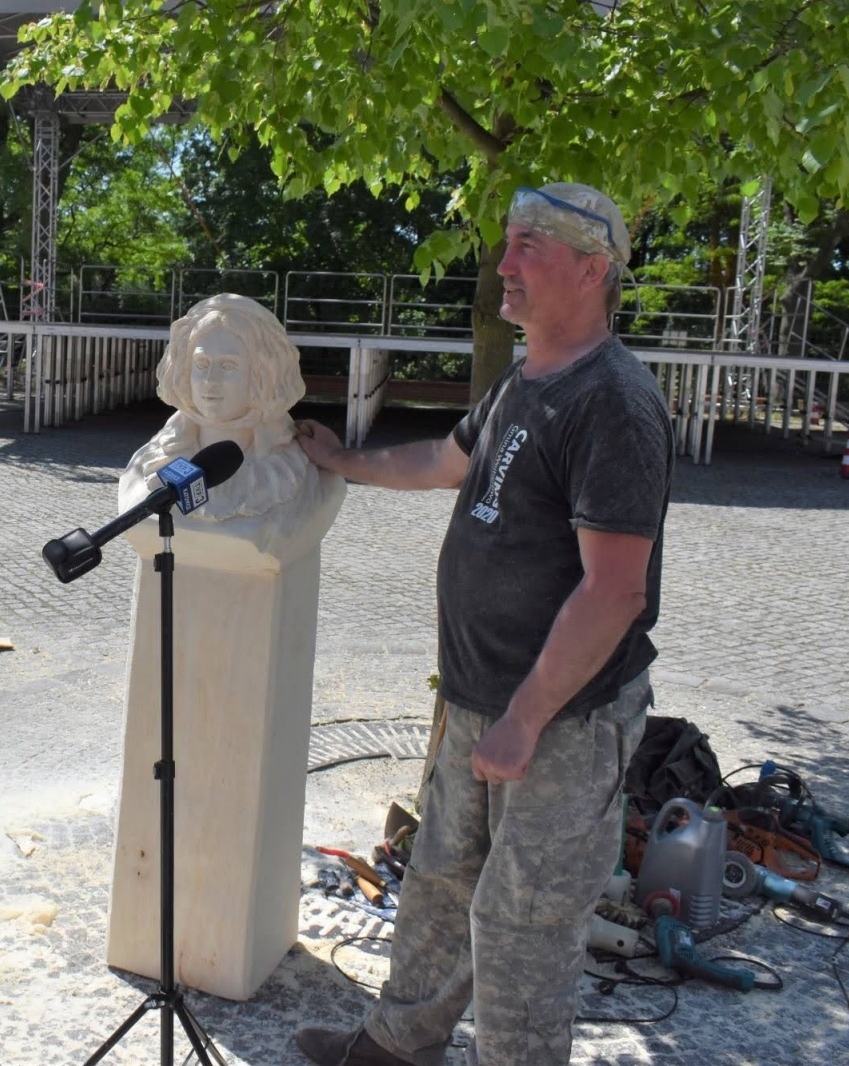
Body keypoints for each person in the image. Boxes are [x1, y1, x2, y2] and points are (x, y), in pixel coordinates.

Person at [292, 183, 674, 1066]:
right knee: (437, 885)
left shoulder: (613, 401)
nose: (502, 265)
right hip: (480, 700)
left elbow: (615, 591)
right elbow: (446, 461)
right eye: (505, 242)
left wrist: (526, 716)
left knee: (522, 929)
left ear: (592, 268)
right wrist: (344, 459)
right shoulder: (526, 375)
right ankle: (396, 1046)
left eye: (528, 246)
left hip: (560, 724)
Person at [119, 292, 342, 553]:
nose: (210, 380)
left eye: (228, 367)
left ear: (262, 376)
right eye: (201, 363)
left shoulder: (300, 478)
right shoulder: (148, 463)